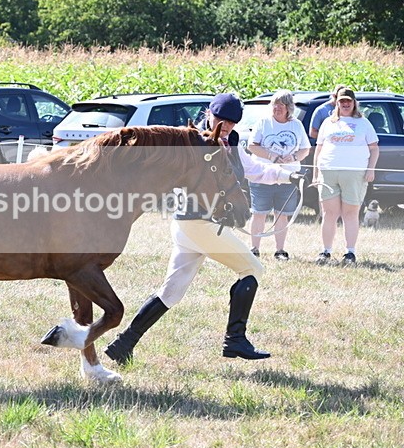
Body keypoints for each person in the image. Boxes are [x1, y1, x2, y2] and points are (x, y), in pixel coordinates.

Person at [104, 93, 308, 365]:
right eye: (221, 121)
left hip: (192, 227)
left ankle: (123, 344)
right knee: (252, 269)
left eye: (231, 124)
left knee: (170, 292)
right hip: (198, 223)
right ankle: (235, 339)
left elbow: (252, 169)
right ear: (209, 115)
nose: (225, 128)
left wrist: (287, 174)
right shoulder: (195, 142)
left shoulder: (231, 143)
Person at [313, 87, 379, 265]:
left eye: (349, 101)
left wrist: (370, 169)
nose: (345, 104)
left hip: (355, 173)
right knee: (329, 213)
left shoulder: (363, 123)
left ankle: (350, 252)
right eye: (342, 101)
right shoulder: (328, 122)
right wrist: (315, 173)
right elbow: (318, 149)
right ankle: (326, 251)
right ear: (337, 103)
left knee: (350, 213)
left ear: (354, 103)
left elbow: (374, 149)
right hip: (328, 171)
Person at [247, 90, 310, 260]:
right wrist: (271, 156)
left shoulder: (296, 125)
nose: (277, 108)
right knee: (259, 213)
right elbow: (252, 145)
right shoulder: (263, 122)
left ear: (289, 108)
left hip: (288, 176)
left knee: (282, 214)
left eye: (281, 105)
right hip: (263, 175)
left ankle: (280, 250)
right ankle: (254, 249)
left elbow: (305, 148)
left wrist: (294, 157)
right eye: (275, 104)